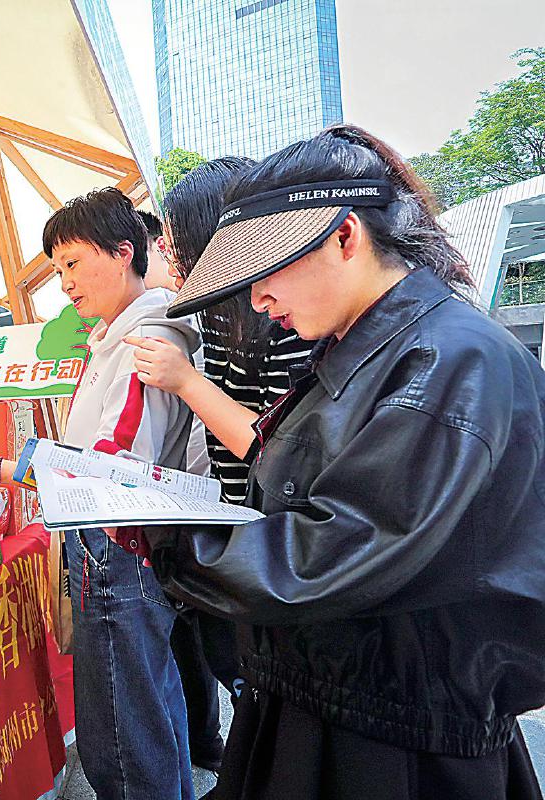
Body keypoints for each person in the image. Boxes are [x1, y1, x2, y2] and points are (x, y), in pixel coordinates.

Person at [145, 124, 545, 799]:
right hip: (336, 698)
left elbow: (332, 551)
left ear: (345, 236)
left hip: (392, 742)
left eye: (267, 270)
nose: (258, 300)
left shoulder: (446, 359)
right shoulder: (371, 345)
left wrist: (168, 536)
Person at [0, 188, 201, 800]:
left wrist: (4, 469)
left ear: (124, 252)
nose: (66, 284)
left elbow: (112, 470)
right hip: (115, 548)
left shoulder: (145, 338)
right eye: (58, 270)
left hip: (118, 549)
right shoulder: (119, 334)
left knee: (122, 735)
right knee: (146, 711)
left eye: (74, 263)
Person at [140, 159, 320, 774]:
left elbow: (278, 450)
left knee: (266, 695)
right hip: (235, 523)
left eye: (175, 241)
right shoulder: (218, 315)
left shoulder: (288, 322)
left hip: (277, 544)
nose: (167, 254)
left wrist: (185, 381)